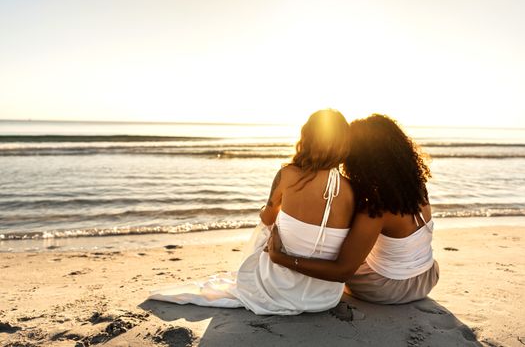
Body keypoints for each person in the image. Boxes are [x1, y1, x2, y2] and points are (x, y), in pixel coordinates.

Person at [149, 109, 355, 314]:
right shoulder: (351, 189)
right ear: (344, 144)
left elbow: (267, 218)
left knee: (269, 225)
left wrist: (271, 210)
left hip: (277, 290)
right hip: (324, 297)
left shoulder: (288, 174)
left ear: (307, 137)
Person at [267, 114, 439, 304]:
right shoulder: (416, 187)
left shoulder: (376, 207)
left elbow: (342, 272)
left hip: (388, 289)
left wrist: (280, 257)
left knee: (328, 262)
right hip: (427, 276)